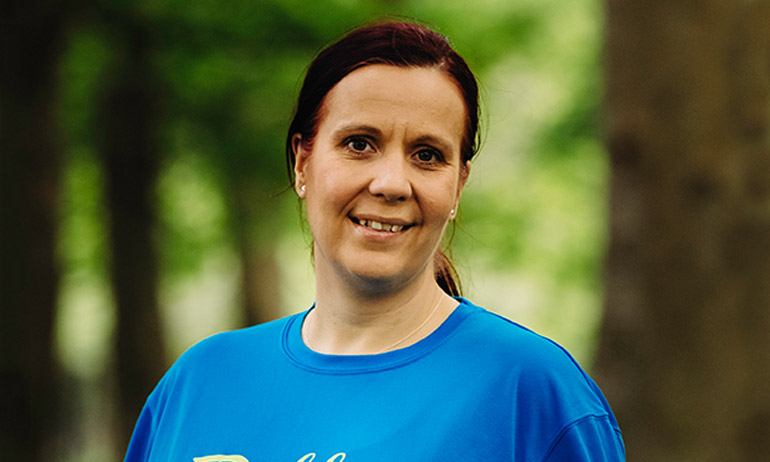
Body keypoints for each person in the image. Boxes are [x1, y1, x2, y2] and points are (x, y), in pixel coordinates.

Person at [125, 21, 625, 462]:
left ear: (458, 185)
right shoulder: (199, 385)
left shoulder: (533, 392)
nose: (391, 183)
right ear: (303, 162)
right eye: (359, 144)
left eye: (427, 154)